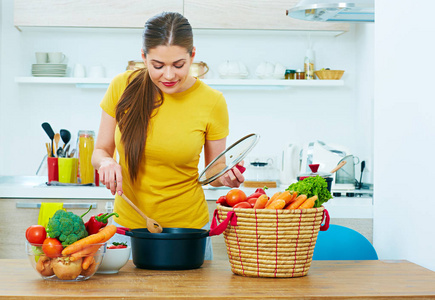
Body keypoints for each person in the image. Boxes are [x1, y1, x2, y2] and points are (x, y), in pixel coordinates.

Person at [91, 12, 244, 260]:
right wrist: (106, 162)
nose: (169, 75)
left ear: (193, 55)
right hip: (127, 228)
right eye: (158, 66)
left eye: (179, 65)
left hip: (187, 231)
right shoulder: (122, 86)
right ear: (144, 57)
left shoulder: (212, 101)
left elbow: (215, 172)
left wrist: (226, 178)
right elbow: (100, 151)